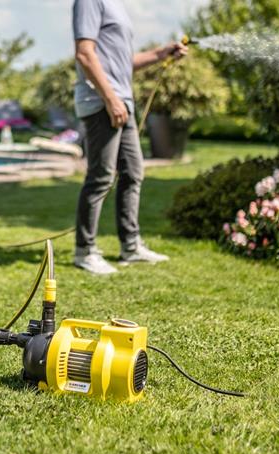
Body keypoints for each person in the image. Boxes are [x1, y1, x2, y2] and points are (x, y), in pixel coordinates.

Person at [72, 0, 188, 275]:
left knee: (133, 172)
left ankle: (131, 246)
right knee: (101, 176)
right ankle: (85, 251)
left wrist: (160, 53)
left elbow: (123, 64)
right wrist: (110, 98)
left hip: (122, 102)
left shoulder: (117, 6)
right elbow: (85, 54)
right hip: (102, 102)